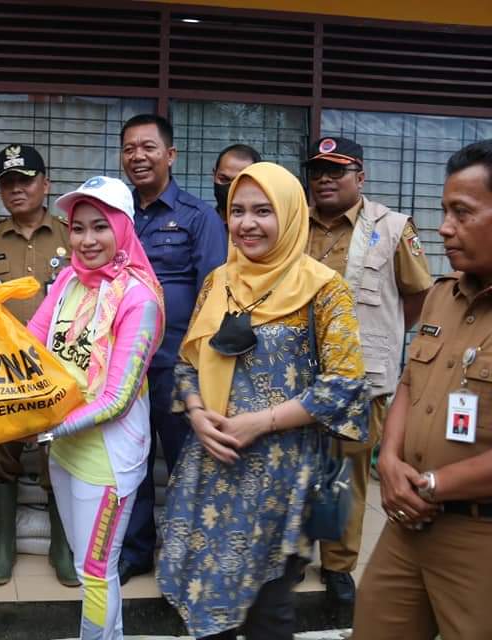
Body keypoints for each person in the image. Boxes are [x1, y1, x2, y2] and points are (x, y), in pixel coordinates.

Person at [157, 162, 369, 640]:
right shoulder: (218, 282)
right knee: (207, 599)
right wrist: (195, 413)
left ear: (292, 214)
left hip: (281, 477)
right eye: (237, 211)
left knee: (267, 613)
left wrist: (262, 422)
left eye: (263, 211)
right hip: (211, 470)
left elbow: (346, 383)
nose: (247, 223)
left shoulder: (323, 289)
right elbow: (188, 364)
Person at [352, 139, 492, 640]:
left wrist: (429, 486)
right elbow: (409, 383)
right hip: (408, 526)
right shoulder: (443, 297)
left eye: (462, 212)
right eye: (443, 210)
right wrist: (387, 461)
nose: (444, 227)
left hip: (478, 536)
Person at [28, 175, 164, 639]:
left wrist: (46, 429)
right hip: (64, 448)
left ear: (123, 227)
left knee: (95, 570)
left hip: (107, 456)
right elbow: (32, 345)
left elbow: (118, 397)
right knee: (89, 563)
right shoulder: (68, 280)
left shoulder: (139, 299)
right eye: (78, 227)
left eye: (99, 227)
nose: (87, 240)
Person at [305, 136, 433, 603]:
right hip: (298, 370)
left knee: (347, 468)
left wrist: (385, 336)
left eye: (336, 171)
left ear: (361, 177)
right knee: (297, 464)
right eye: (318, 170)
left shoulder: (394, 227)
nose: (324, 179)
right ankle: (295, 553)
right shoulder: (293, 222)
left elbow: (417, 296)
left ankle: (338, 564)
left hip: (361, 373)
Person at [117, 113, 228, 584]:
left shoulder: (197, 216)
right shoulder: (118, 215)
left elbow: (214, 292)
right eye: (128, 149)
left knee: (186, 465)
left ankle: (185, 560)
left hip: (176, 366)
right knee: (133, 461)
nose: (137, 157)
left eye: (147, 147)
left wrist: (200, 365)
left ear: (170, 155)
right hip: (125, 365)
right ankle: (138, 550)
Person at [0, 144, 77, 587]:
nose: (17, 189)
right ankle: (5, 549)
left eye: (26, 180)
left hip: (58, 365)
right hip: (4, 366)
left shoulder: (70, 233)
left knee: (62, 452)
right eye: (8, 183)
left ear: (45, 185)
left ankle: (62, 549)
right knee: (1, 453)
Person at [212, 144, 261, 223]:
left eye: (240, 181)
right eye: (224, 179)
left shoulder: (264, 227)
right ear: (214, 175)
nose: (230, 188)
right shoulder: (199, 225)